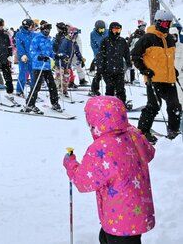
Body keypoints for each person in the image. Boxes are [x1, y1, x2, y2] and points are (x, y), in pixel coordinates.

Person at [63, 96, 155, 244]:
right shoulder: (133, 135)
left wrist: (70, 164)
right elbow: (149, 152)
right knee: (108, 238)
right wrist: (126, 127)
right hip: (136, 212)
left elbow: (82, 181)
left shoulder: (101, 148)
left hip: (119, 220)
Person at [131, 9, 181, 144]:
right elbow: (135, 55)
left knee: (175, 106)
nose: (167, 27)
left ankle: (174, 130)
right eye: (165, 24)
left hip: (169, 79)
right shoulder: (148, 38)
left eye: (169, 25)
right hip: (154, 79)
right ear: (158, 23)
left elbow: (167, 59)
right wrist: (144, 69)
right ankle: (143, 131)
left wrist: (173, 70)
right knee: (154, 106)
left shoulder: (170, 39)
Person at [26, 23, 62, 113]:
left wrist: (56, 56)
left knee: (52, 85)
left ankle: (55, 103)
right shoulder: (37, 38)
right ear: (42, 30)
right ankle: (30, 104)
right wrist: (39, 56)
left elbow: (50, 52)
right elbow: (32, 51)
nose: (47, 32)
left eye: (49, 30)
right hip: (38, 66)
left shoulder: (48, 39)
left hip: (47, 66)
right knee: (36, 85)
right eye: (45, 30)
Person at [96, 22, 131, 109]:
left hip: (119, 69)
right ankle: (109, 106)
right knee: (110, 87)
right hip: (107, 70)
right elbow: (101, 55)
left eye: (118, 30)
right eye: (114, 29)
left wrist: (128, 62)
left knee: (120, 88)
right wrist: (100, 68)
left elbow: (126, 53)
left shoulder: (122, 41)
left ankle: (122, 104)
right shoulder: (105, 41)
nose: (116, 32)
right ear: (111, 30)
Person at [56, 26, 84, 97]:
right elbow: (62, 51)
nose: (76, 36)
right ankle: (56, 91)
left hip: (68, 64)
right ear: (71, 34)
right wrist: (65, 57)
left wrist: (81, 58)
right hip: (61, 63)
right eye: (75, 35)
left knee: (66, 78)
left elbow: (77, 51)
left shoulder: (74, 42)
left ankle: (64, 91)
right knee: (59, 77)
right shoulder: (66, 41)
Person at [14, 19, 36, 97]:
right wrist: (22, 54)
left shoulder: (33, 34)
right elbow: (19, 46)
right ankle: (19, 90)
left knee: (34, 75)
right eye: (32, 26)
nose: (33, 27)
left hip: (32, 58)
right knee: (22, 74)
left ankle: (34, 91)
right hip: (23, 58)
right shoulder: (19, 34)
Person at [89, 20, 109, 96]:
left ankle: (111, 88)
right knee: (99, 73)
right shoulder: (93, 34)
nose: (102, 31)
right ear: (96, 29)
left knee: (108, 73)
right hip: (99, 56)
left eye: (103, 29)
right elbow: (93, 46)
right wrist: (99, 54)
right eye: (100, 29)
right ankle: (94, 89)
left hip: (108, 56)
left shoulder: (107, 32)